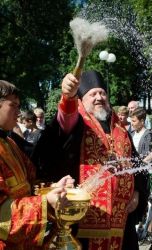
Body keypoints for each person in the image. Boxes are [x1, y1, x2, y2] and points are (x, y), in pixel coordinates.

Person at [33, 71, 148, 250]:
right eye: (92, 94)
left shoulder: (120, 128)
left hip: (121, 223)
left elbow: (136, 163)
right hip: (83, 221)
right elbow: (66, 117)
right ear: (81, 100)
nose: (99, 97)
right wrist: (68, 96)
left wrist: (137, 191)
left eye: (102, 93)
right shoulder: (77, 122)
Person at [0, 80, 74, 248]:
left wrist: (53, 187)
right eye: (13, 105)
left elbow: (30, 184)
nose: (19, 113)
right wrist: (45, 202)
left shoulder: (10, 143)